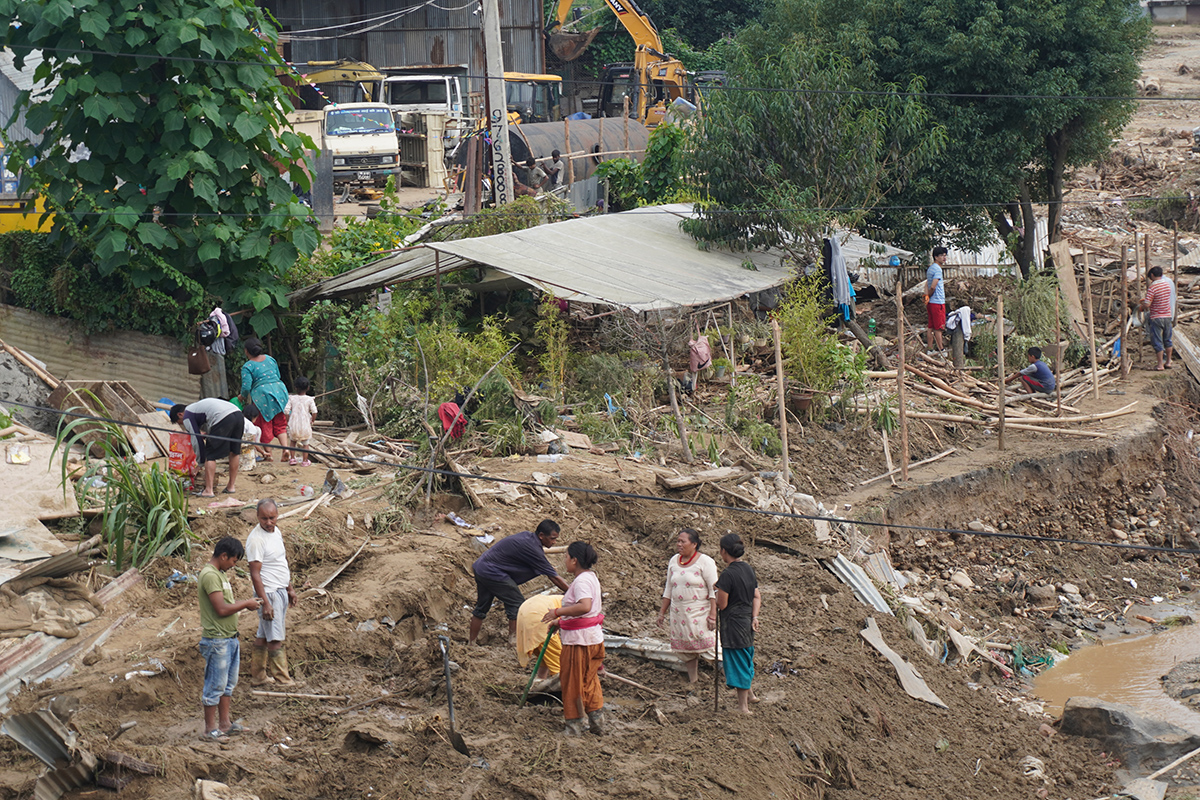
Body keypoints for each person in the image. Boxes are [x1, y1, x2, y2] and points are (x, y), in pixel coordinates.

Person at [197, 537, 260, 740]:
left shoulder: (220, 574)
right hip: (217, 640)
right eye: (233, 561)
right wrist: (246, 604)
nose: (234, 565)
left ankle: (224, 724)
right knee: (215, 685)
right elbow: (222, 609)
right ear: (223, 556)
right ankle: (209, 730)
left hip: (229, 638)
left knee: (227, 685)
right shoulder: (210, 576)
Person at [469, 519, 570, 645]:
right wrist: (573, 592)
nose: (554, 542)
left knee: (481, 608)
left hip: (481, 568)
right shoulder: (533, 549)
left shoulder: (527, 537)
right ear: (541, 536)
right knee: (517, 604)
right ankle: (513, 640)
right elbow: (554, 577)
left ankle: (471, 643)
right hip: (493, 573)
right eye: (552, 538)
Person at [542, 541, 604, 735]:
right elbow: (587, 614)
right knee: (589, 680)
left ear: (575, 560)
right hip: (592, 638)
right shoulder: (591, 577)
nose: (565, 561)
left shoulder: (582, 581)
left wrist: (557, 612)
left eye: (566, 557)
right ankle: (597, 722)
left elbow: (584, 606)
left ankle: (575, 725)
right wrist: (561, 623)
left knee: (573, 682)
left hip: (579, 642)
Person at [246, 499, 299, 686]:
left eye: (272, 518)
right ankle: (282, 679)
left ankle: (258, 676)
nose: (269, 522)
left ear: (277, 515)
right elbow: (255, 574)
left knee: (263, 635)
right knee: (275, 637)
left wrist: (290, 588)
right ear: (257, 517)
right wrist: (266, 602)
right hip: (269, 593)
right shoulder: (256, 540)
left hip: (280, 590)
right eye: (264, 519)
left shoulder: (276, 532)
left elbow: (280, 563)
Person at [656, 528, 717, 684]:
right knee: (687, 650)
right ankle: (693, 680)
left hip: (700, 614)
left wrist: (713, 615)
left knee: (712, 648)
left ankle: (731, 680)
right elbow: (668, 589)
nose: (679, 544)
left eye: (683, 541)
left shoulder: (706, 562)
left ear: (694, 544)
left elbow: (713, 590)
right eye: (678, 541)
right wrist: (662, 612)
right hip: (679, 614)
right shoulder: (674, 561)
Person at [715, 533, 760, 714]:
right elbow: (757, 596)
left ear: (724, 551)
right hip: (747, 621)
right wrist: (755, 617)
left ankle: (743, 707)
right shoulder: (748, 569)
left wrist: (717, 593)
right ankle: (751, 695)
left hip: (733, 624)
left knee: (738, 661)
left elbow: (722, 604)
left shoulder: (727, 574)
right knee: (746, 657)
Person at [171, 398, 243, 497]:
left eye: (181, 423)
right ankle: (231, 486)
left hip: (223, 418)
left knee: (209, 455)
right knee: (234, 451)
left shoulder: (187, 415)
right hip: (238, 415)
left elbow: (196, 440)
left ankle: (208, 490)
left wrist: (200, 463)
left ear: (180, 414)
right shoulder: (197, 407)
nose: (184, 425)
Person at [240, 337, 290, 462]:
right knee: (280, 423)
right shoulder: (270, 358)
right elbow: (277, 375)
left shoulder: (248, 366)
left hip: (262, 396)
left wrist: (242, 396)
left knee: (264, 424)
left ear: (246, 351)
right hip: (279, 392)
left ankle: (269, 454)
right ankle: (286, 449)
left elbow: (246, 386)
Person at [516, 594, 563, 685]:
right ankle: (562, 687)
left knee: (544, 653)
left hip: (526, 611)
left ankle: (539, 680)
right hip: (540, 614)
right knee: (558, 659)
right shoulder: (579, 606)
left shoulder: (564, 599)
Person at [1140, 265, 1176, 370]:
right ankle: (1168, 362)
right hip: (1168, 315)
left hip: (1157, 317)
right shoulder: (1167, 285)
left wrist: (1141, 306)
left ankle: (1160, 364)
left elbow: (1147, 304)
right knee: (1168, 340)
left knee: (1157, 341)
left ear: (1152, 275)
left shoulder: (1153, 287)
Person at [285, 377, 318, 466]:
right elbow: (314, 411)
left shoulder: (291, 398)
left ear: (295, 387)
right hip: (305, 423)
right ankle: (305, 461)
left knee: (292, 441)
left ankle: (292, 459)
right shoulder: (310, 399)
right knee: (305, 443)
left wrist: (288, 420)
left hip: (294, 423)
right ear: (308, 388)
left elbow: (286, 411)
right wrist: (312, 420)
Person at [925, 246, 948, 352]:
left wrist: (926, 297)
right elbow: (933, 286)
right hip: (937, 302)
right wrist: (929, 295)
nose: (944, 257)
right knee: (939, 328)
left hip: (931, 303)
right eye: (941, 255)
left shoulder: (930, 269)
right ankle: (941, 350)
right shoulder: (938, 269)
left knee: (931, 326)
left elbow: (926, 283)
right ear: (935, 257)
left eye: (945, 255)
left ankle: (929, 349)